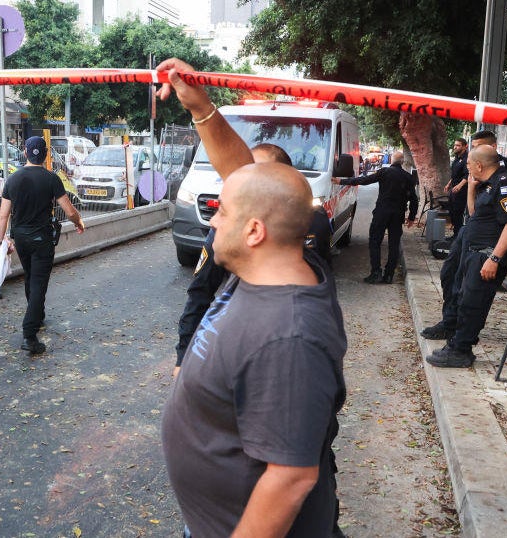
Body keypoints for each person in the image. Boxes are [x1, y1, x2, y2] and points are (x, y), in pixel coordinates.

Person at [157, 57, 346, 537]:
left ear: (255, 231)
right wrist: (201, 108)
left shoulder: (289, 336)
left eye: (222, 212)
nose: (213, 220)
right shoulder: (274, 261)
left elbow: (290, 478)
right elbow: (250, 183)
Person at [173, 143, 333, 377]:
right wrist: (183, 356)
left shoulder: (313, 221)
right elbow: (200, 292)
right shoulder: (225, 229)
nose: (250, 183)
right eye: (248, 172)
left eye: (261, 175)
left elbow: (323, 280)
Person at [425, 144, 507, 368]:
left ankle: (461, 351)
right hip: (473, 252)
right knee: (463, 298)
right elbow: (474, 214)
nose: (467, 168)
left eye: (469, 164)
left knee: (473, 303)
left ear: (479, 165)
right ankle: (456, 343)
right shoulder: (487, 184)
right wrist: (471, 188)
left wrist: (495, 259)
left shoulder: (506, 184)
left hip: (486, 256)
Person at [0, 136, 84, 354]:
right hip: (42, 240)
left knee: (30, 276)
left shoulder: (13, 179)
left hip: (21, 239)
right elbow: (69, 210)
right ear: (46, 154)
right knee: (38, 284)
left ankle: (37, 315)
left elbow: (3, 215)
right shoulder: (51, 178)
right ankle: (30, 335)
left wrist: (1, 240)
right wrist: (78, 222)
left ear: (25, 152)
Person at [332, 150, 419, 284]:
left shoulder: (384, 172)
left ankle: (376, 272)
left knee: (375, 241)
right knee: (394, 244)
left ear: (391, 160)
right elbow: (414, 199)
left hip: (381, 213)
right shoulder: (408, 177)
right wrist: (412, 217)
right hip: (398, 214)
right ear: (402, 162)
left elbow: (364, 180)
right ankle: (389, 275)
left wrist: (342, 181)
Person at [445, 138, 468, 235]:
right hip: (453, 188)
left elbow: (467, 175)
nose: (455, 147)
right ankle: (455, 233)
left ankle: (457, 235)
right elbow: (455, 175)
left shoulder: (467, 159)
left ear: (465, 146)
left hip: (461, 190)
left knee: (458, 212)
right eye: (455, 145)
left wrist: (460, 185)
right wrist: (449, 184)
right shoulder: (457, 158)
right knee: (452, 210)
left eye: (458, 145)